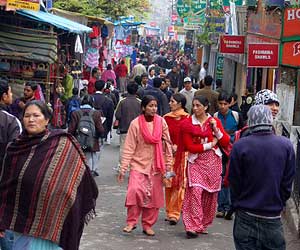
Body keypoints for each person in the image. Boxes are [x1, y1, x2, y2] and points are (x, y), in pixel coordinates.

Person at [0, 100, 98, 250]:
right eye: (27, 116)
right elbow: (6, 188)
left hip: (50, 224)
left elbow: (78, 180)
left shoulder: (62, 145)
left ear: (46, 120)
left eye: (36, 115)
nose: (31, 120)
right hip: (17, 223)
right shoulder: (14, 148)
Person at [229, 105, 295, 250]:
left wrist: (238, 203)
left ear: (250, 122)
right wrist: (278, 201)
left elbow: (234, 181)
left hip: (245, 215)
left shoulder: (240, 146)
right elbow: (287, 183)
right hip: (272, 218)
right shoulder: (286, 146)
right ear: (270, 120)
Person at [117, 95, 173, 236]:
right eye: (150, 106)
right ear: (143, 108)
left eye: (155, 106)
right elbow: (129, 147)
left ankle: (148, 225)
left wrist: (168, 167)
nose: (153, 109)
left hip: (156, 166)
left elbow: (167, 146)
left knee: (153, 197)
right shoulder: (135, 124)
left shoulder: (162, 123)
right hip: (138, 164)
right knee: (134, 191)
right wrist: (123, 168)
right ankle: (131, 222)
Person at [179, 95, 230, 238]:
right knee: (195, 191)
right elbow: (190, 147)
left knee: (210, 195)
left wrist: (215, 129)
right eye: (193, 105)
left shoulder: (214, 122)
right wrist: (210, 144)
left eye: (198, 106)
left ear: (206, 107)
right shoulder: (188, 123)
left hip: (213, 162)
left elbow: (225, 141)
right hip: (195, 162)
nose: (195, 108)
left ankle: (203, 223)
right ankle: (192, 225)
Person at [214, 92, 244, 220]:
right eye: (220, 104)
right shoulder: (215, 116)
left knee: (230, 178)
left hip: (234, 150)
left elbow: (243, 131)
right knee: (220, 178)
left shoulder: (236, 116)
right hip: (219, 150)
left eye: (225, 104)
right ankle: (221, 208)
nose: (222, 106)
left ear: (230, 103)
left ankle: (230, 207)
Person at [0, 80, 22, 250]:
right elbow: (15, 156)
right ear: (3, 96)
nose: (12, 95)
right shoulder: (11, 122)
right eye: (10, 92)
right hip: (5, 186)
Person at [164, 93, 189, 225]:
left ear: (180, 104)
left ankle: (175, 212)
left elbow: (190, 137)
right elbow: (162, 136)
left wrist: (178, 146)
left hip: (182, 155)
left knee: (179, 184)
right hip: (168, 156)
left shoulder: (188, 119)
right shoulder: (166, 119)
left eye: (172, 101)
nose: (170, 103)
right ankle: (169, 210)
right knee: (168, 183)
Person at [68, 95, 104, 177]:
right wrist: (97, 136)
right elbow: (101, 129)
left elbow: (71, 130)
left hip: (78, 140)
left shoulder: (75, 113)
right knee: (91, 156)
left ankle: (79, 172)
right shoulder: (96, 113)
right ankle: (91, 171)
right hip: (92, 141)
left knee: (80, 157)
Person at [115, 83, 141, 171]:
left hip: (124, 128)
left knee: (123, 148)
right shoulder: (140, 102)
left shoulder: (122, 101)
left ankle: (121, 166)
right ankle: (134, 166)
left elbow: (117, 115)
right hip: (137, 130)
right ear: (136, 91)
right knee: (136, 148)